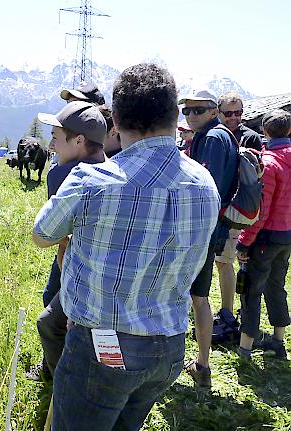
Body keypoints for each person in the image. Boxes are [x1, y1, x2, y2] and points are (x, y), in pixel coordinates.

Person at [33, 63, 220, 430]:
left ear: (114, 120)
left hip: (101, 347)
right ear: (175, 114)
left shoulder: (90, 180)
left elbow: (42, 235)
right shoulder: (205, 185)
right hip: (168, 347)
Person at [24, 101, 108, 382]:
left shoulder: (65, 174)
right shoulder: (117, 168)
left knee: (50, 321)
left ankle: (63, 379)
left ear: (79, 140)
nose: (51, 146)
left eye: (57, 138)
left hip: (82, 276)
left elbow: (50, 236)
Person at [180, 89, 238, 388]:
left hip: (200, 230)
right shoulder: (219, 135)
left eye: (197, 111)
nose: (190, 116)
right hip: (212, 229)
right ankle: (202, 366)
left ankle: (193, 363)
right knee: (199, 298)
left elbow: (207, 186)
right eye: (186, 111)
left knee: (191, 297)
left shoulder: (213, 138)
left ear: (214, 111)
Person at [236, 109, 291, 360]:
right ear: (289, 130)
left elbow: (261, 210)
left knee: (251, 289)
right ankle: (278, 341)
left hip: (266, 236)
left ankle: (245, 347)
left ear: (265, 132)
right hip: (287, 235)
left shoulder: (268, 163)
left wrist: (244, 242)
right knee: (277, 286)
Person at [212, 92, 265, 333]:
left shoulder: (250, 138)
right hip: (219, 209)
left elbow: (254, 182)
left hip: (236, 213)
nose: (235, 118)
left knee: (225, 262)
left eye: (239, 113)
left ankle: (228, 313)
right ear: (218, 113)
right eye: (229, 113)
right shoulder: (215, 136)